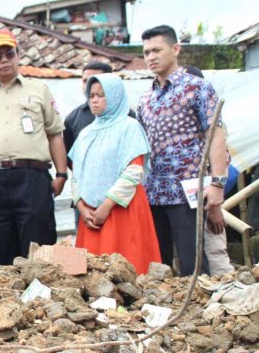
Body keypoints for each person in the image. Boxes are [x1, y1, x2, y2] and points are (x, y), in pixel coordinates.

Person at [0, 29, 68, 265]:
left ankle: (41, 299)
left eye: (9, 54)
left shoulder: (39, 90)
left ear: (18, 56)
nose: (4, 60)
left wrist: (61, 173)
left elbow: (54, 133)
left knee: (39, 244)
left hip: (33, 177)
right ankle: (3, 300)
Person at [138, 25, 227, 276]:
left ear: (175, 49)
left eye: (157, 50)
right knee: (159, 266)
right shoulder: (145, 98)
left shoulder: (197, 88)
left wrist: (218, 184)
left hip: (187, 191)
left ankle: (199, 311)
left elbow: (216, 134)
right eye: (146, 53)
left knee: (193, 266)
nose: (151, 57)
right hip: (154, 191)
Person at [69, 73, 161, 274]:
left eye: (101, 95)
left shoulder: (129, 127)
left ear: (115, 97)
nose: (94, 100)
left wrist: (107, 205)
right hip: (90, 215)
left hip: (121, 210)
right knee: (92, 274)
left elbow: (134, 171)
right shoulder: (86, 133)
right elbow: (76, 175)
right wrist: (81, 207)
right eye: (91, 95)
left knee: (126, 269)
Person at [64, 61, 135, 229]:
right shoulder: (74, 119)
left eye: (100, 91)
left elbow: (133, 166)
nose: (89, 87)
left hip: (119, 201)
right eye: (84, 81)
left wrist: (110, 200)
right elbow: (71, 161)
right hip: (85, 199)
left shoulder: (128, 120)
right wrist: (82, 199)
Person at [182, 65, 234, 276]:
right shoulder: (176, 122)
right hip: (181, 207)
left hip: (204, 203)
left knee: (215, 254)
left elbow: (222, 163)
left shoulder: (210, 124)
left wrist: (214, 206)